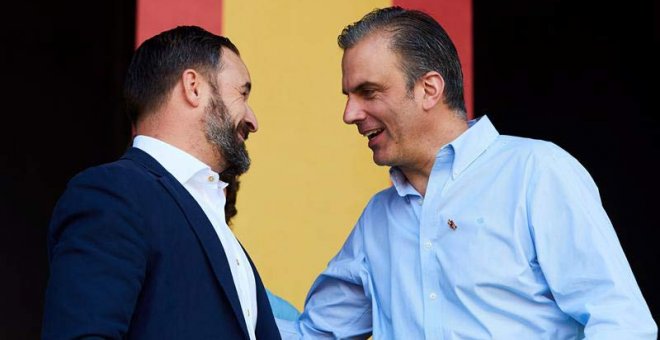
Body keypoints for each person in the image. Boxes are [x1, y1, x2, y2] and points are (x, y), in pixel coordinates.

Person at [283, 6, 658, 339]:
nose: (350, 114)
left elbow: (621, 324)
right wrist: (227, 276)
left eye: (369, 92)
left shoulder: (536, 172)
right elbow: (311, 334)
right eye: (349, 96)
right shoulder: (377, 219)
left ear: (429, 89)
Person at [42, 26, 281, 339]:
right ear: (193, 87)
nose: (253, 119)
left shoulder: (210, 215)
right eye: (242, 93)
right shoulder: (112, 195)